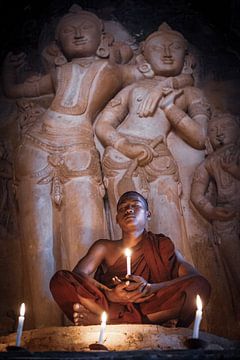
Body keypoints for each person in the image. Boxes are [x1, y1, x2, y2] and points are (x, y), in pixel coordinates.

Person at [2, 7, 194, 327]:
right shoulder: (57, 73)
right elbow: (14, 91)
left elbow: (167, 74)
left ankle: (94, 320)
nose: (77, 34)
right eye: (68, 30)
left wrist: (161, 88)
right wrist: (8, 72)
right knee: (39, 247)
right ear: (58, 41)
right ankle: (42, 324)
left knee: (83, 229)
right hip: (36, 145)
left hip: (79, 145)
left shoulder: (114, 71)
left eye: (85, 29)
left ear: (102, 40)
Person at [95, 23, 211, 258]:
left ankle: (174, 285)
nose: (167, 53)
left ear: (186, 58)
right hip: (122, 155)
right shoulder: (134, 89)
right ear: (144, 60)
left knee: (170, 227)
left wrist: (170, 109)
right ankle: (127, 285)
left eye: (175, 48)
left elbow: (200, 138)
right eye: (158, 48)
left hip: (160, 157)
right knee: (127, 229)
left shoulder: (191, 94)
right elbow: (103, 124)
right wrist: (125, 145)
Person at [50, 191, 211, 327]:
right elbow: (78, 274)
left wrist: (150, 288)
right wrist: (111, 293)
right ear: (117, 219)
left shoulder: (161, 244)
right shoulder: (104, 247)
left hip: (149, 304)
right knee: (60, 279)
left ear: (148, 214)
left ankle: (108, 321)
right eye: (123, 208)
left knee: (200, 286)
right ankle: (120, 318)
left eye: (136, 205)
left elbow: (193, 277)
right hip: (111, 305)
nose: (129, 210)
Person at [190, 111, 240, 320]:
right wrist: (211, 211)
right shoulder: (209, 162)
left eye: (225, 126)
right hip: (225, 217)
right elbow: (196, 194)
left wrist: (235, 170)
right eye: (213, 130)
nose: (219, 133)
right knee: (235, 267)